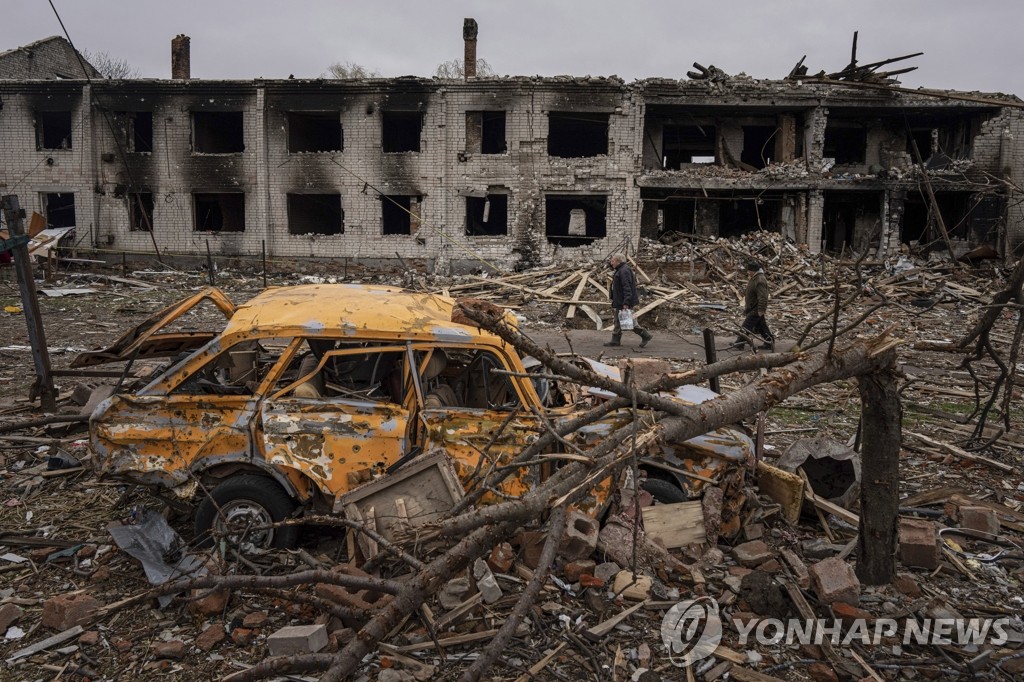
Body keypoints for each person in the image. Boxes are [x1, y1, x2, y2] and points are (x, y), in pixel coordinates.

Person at [605, 253, 653, 348]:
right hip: (620, 301)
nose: (611, 263)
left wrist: (626, 302)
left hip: (624, 301)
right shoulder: (621, 269)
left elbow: (627, 288)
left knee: (629, 322)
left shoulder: (624, 271)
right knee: (617, 321)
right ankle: (615, 341)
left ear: (618, 261)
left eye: (613, 261)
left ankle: (645, 335)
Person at [733, 260, 774, 351]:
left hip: (756, 308)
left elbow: (763, 296)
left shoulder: (759, 280)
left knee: (746, 326)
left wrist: (761, 310)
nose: (747, 272)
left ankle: (739, 344)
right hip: (753, 307)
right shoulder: (756, 278)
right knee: (761, 326)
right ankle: (769, 342)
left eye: (749, 270)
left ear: (753, 271)